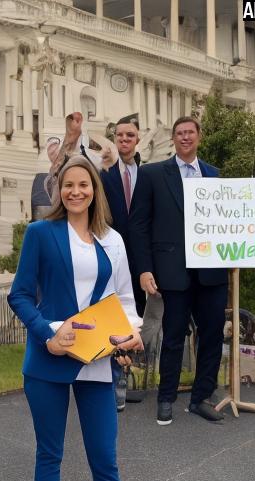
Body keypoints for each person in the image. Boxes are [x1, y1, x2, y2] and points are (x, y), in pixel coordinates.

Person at [8, 155, 144, 481]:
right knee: (50, 455)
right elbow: (20, 296)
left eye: (84, 185)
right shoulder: (41, 233)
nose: (76, 192)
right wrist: (50, 334)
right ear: (58, 190)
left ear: (94, 190)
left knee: (104, 459)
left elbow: (123, 300)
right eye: (68, 185)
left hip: (99, 362)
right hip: (50, 360)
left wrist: (133, 331)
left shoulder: (113, 240)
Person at [129, 116, 226, 425]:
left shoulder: (214, 175)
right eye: (180, 133)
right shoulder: (153, 174)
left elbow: (227, 222)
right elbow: (139, 226)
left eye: (190, 133)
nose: (185, 137)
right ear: (174, 139)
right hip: (172, 271)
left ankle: (201, 398)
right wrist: (144, 270)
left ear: (199, 137)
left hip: (211, 271)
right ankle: (166, 397)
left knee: (211, 336)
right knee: (172, 337)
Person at [100, 114, 151, 410]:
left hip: (140, 263)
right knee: (112, 320)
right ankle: (115, 385)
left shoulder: (149, 175)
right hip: (111, 258)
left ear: (138, 139)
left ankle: (125, 373)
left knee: (134, 323)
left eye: (129, 136)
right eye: (119, 136)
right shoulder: (105, 175)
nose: (124, 140)